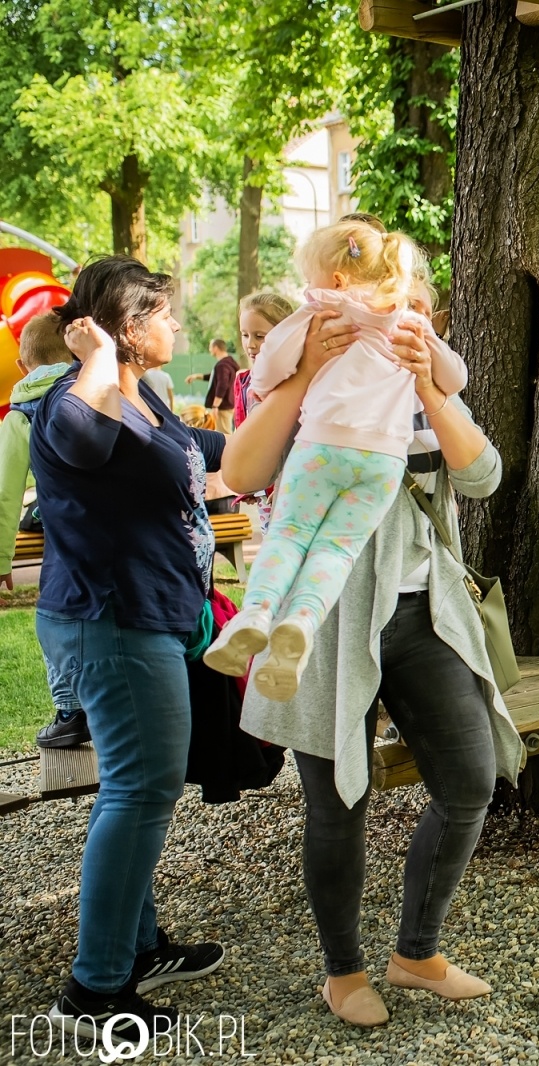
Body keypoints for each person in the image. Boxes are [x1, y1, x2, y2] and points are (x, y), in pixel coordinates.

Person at [226, 271, 524, 1030]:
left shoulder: (424, 382)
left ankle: (416, 954)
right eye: (385, 303)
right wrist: (304, 378)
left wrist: (429, 386)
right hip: (319, 628)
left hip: (426, 616)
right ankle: (343, 971)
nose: (400, 318)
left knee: (469, 782)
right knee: (339, 807)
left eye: (415, 305)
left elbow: (483, 477)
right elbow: (240, 473)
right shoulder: (309, 376)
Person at [29, 257, 229, 1040]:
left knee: (136, 786)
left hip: (151, 612)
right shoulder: (70, 399)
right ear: (128, 325)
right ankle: (94, 991)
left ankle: (136, 946)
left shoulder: (141, 394)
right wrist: (95, 355)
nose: (177, 327)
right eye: (166, 315)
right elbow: (80, 438)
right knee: (140, 793)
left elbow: (196, 460)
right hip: (114, 619)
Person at [204, 223, 467, 702]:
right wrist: (427, 366)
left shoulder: (320, 312)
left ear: (338, 280)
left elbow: (264, 373)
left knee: (290, 534)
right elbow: (456, 376)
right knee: (336, 552)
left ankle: (257, 613)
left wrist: (297, 367)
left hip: (323, 447)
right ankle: (302, 623)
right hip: (382, 462)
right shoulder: (410, 322)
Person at [0, 315, 89, 747]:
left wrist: (1, 561)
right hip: (108, 519)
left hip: (57, 521)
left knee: (54, 617)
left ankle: (70, 710)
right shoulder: (91, 387)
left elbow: (5, 494)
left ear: (22, 366)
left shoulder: (22, 413)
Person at [231, 292, 298, 526]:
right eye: (245, 335)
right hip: (264, 491)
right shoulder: (245, 381)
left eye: (260, 336)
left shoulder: (296, 381)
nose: (251, 344)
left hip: (293, 489)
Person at [185, 338, 239, 432]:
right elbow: (215, 377)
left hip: (222, 407)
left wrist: (215, 406)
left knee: (224, 434)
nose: (209, 350)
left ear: (215, 348)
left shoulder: (222, 365)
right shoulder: (229, 363)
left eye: (210, 347)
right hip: (230, 404)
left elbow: (222, 384)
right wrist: (196, 376)